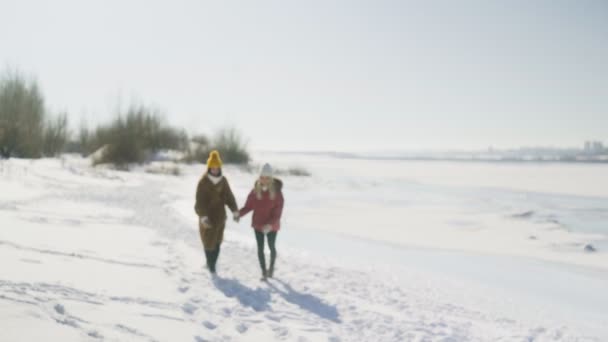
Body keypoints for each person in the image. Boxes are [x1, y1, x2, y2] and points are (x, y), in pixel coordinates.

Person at [194, 150, 239, 274]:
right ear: (209, 168)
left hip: (220, 217)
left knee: (218, 242)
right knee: (208, 243)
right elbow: (199, 201)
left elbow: (229, 197)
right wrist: (202, 217)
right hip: (207, 217)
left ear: (220, 168)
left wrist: (234, 210)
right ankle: (211, 265)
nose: (215, 170)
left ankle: (212, 263)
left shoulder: (223, 181)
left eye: (217, 167)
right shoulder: (203, 182)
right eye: (212, 167)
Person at [239, 163, 284, 280]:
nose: (264, 180)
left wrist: (270, 225)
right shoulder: (255, 191)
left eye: (267, 177)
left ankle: (271, 268)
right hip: (258, 225)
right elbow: (248, 206)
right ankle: (264, 272)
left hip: (272, 227)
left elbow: (277, 214)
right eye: (262, 177)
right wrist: (239, 214)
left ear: (271, 178)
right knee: (260, 248)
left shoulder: (277, 193)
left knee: (271, 246)